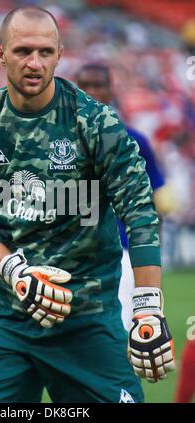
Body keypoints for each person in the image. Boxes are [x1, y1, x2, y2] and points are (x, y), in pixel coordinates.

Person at [0, 6, 175, 403]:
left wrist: (147, 307)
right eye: (22, 51)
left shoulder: (97, 123)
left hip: (87, 319)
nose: (34, 63)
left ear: (60, 53)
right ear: (1, 53)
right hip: (6, 317)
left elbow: (140, 213)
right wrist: (15, 272)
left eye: (45, 51)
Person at [75, 63, 168, 331]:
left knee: (122, 330)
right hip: (73, 252)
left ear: (110, 89)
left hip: (122, 249)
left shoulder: (133, 140)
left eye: (98, 85)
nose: (91, 92)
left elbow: (155, 196)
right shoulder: (58, 141)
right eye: (85, 85)